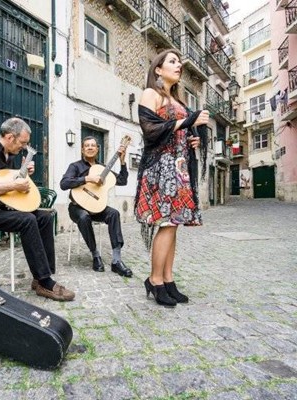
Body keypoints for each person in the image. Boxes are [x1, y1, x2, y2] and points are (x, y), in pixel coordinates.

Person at [0, 117, 75, 301]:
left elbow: (7, 183)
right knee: (27, 220)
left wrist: (22, 172)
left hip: (2, 208)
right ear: (9, 137)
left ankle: (41, 275)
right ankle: (45, 282)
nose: (23, 147)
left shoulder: (10, 156)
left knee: (45, 217)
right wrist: (14, 185)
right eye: (22, 142)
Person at [135, 49, 209, 307]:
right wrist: (189, 120)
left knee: (173, 225)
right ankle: (154, 280)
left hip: (179, 167)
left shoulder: (178, 101)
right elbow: (150, 129)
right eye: (173, 61)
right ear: (158, 69)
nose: (179, 66)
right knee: (166, 224)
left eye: (179, 62)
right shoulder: (151, 94)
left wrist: (194, 139)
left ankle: (168, 279)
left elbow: (181, 132)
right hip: (161, 167)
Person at [60, 136, 133, 277]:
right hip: (77, 207)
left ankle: (116, 261)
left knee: (114, 214)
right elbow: (64, 184)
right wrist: (87, 178)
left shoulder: (102, 168)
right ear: (82, 149)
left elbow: (122, 181)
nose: (90, 147)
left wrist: (122, 161)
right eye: (87, 145)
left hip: (97, 207)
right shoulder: (75, 166)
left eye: (93, 145)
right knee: (84, 216)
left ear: (97, 149)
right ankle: (95, 255)